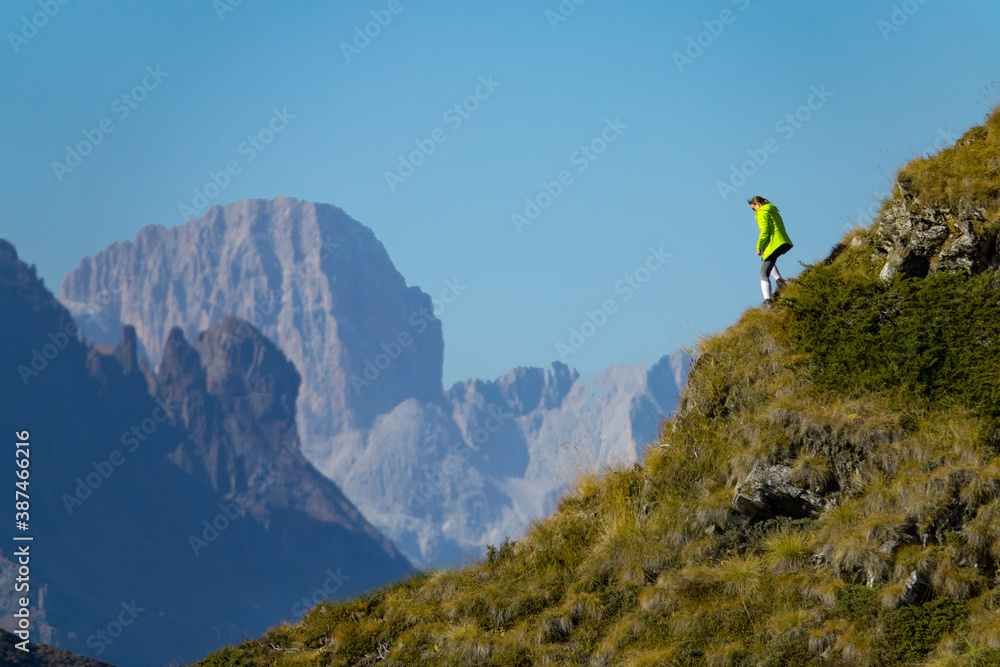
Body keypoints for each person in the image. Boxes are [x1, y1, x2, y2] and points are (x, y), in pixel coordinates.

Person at [749, 196, 793, 307]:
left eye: (754, 208)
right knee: (767, 259)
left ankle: (767, 302)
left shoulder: (761, 213)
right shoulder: (773, 210)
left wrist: (759, 246)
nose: (754, 211)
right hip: (783, 241)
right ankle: (780, 281)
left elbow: (765, 231)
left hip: (774, 244)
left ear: (758, 205)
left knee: (764, 273)